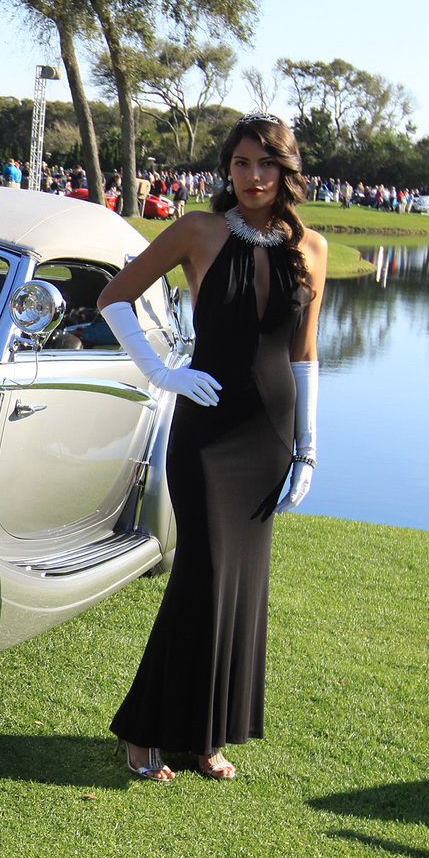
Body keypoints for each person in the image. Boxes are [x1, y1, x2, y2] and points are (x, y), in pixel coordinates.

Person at [101, 112, 327, 783]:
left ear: (286, 171)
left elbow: (306, 353)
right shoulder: (199, 229)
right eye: (241, 164)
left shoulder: (311, 248)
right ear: (227, 169)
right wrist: (163, 372)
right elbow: (115, 298)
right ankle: (143, 735)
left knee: (242, 588)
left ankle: (205, 738)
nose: (254, 177)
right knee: (202, 578)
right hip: (205, 431)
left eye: (266, 165)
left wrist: (308, 448)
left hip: (270, 435)